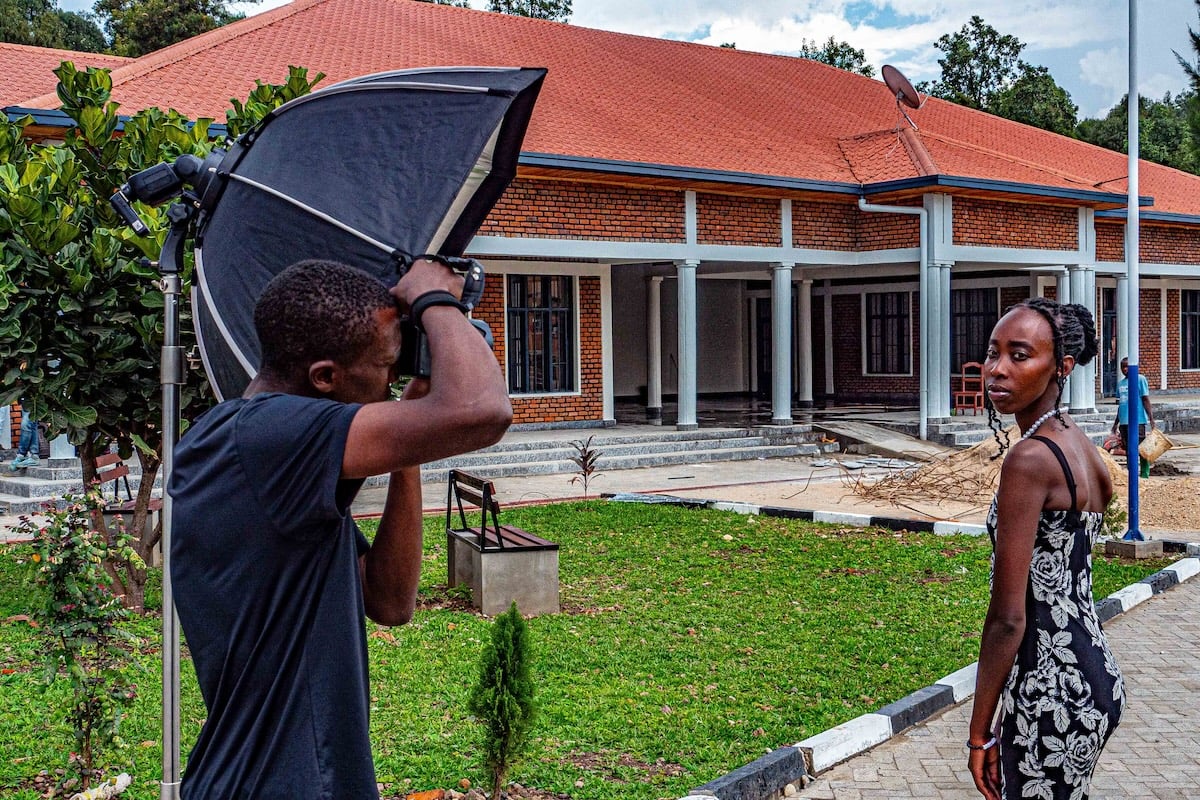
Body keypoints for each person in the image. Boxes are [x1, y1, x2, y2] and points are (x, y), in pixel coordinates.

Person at [169, 258, 512, 800]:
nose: (394, 379)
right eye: (386, 366)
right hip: (280, 784)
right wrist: (434, 299)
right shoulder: (269, 438)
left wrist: (409, 443)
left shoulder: (261, 452)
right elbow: (481, 411)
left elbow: (390, 600)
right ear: (325, 377)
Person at [969, 298, 1124, 800]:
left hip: (1051, 689)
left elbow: (1009, 618)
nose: (997, 370)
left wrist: (979, 731)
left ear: (1062, 367)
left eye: (1019, 356)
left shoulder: (1030, 461)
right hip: (1095, 676)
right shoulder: (1080, 446)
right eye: (993, 354)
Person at [1111, 356, 1155, 478]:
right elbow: (1121, 405)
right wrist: (1116, 423)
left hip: (1138, 420)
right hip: (1124, 422)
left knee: (1140, 447)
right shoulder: (1121, 384)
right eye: (1122, 367)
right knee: (1128, 449)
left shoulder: (1140, 379)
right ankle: (1132, 473)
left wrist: (1151, 418)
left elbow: (1145, 399)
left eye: (1127, 367)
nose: (1124, 369)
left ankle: (1145, 473)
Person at [8, 405, 39, 470]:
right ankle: (34, 456)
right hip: (26, 398)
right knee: (32, 425)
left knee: (26, 424)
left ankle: (21, 455)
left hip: (37, 398)